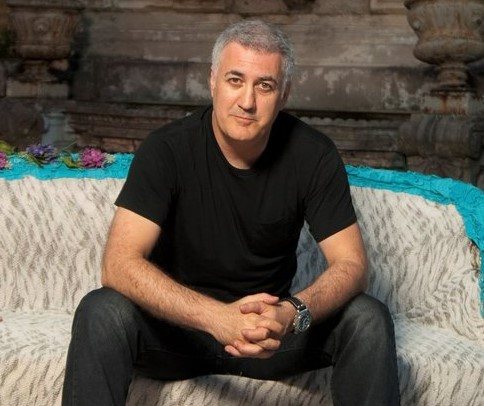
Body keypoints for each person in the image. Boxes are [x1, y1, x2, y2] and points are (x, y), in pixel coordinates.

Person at [62, 19, 400, 406]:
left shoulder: (313, 154)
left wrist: (290, 314)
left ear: (284, 94)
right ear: (212, 81)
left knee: (367, 317)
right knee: (101, 309)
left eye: (264, 85)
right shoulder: (166, 149)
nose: (247, 101)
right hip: (177, 335)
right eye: (235, 80)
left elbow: (352, 264)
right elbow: (118, 264)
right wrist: (217, 318)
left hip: (269, 336)